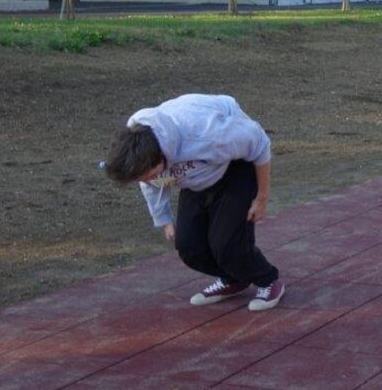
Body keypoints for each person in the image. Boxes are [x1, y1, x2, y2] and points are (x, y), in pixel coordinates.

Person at [104, 94, 285, 312]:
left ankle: (268, 280)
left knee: (227, 245)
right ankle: (234, 279)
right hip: (196, 176)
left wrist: (261, 198)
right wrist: (164, 220)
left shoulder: (209, 136)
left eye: (148, 174)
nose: (146, 181)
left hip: (234, 164)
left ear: (160, 157)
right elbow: (150, 182)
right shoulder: (138, 148)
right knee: (189, 247)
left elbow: (259, 142)